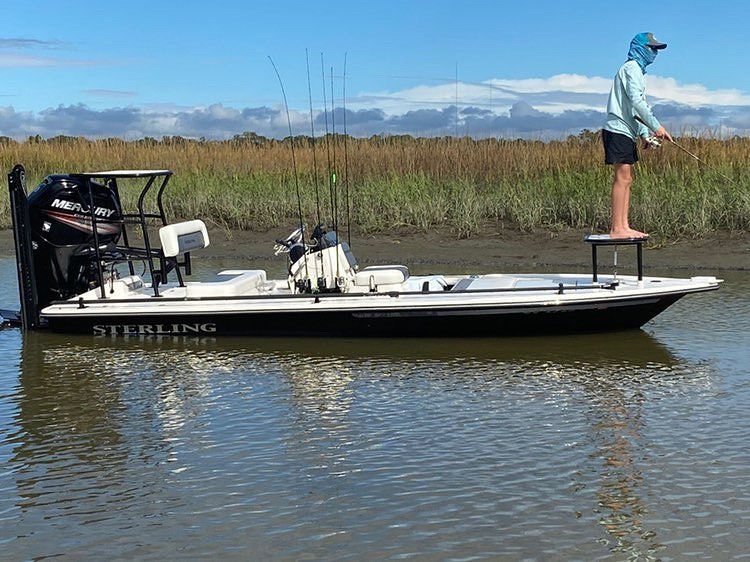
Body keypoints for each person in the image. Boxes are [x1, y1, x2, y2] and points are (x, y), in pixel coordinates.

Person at [602, 32, 673, 239]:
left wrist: (645, 134)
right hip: (617, 129)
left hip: (627, 131)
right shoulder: (631, 68)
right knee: (622, 178)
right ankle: (616, 229)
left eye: (656, 49)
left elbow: (635, 109)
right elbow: (637, 103)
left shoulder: (640, 73)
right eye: (651, 48)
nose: (654, 53)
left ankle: (624, 226)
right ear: (640, 47)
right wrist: (657, 127)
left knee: (627, 178)